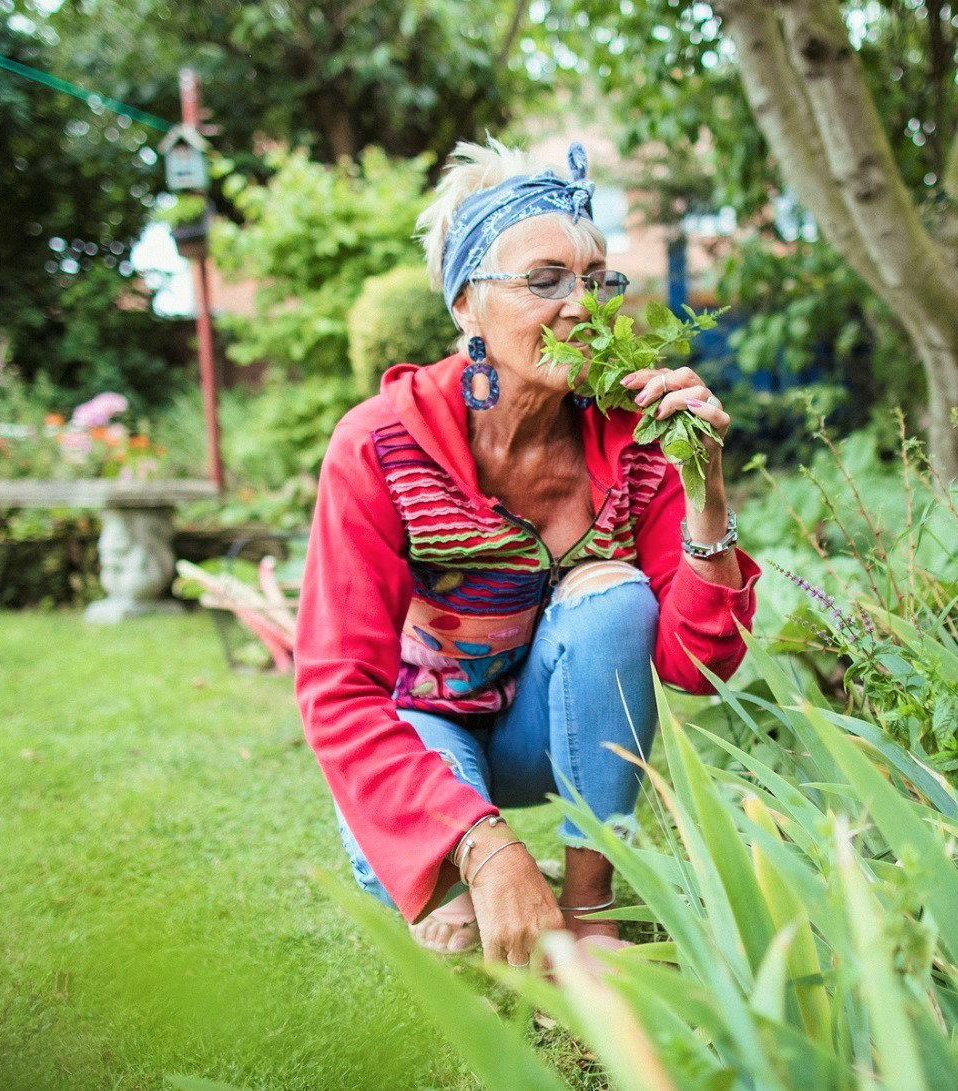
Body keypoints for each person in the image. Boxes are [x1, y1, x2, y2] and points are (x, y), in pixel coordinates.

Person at [292, 138, 761, 969]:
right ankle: (474, 870)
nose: (583, 305)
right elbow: (337, 689)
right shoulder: (380, 446)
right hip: (426, 722)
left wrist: (705, 484)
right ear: (467, 306)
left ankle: (591, 904)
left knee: (614, 593)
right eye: (544, 281)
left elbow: (693, 664)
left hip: (548, 729)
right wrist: (482, 845)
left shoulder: (636, 442)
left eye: (596, 278)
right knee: (469, 915)